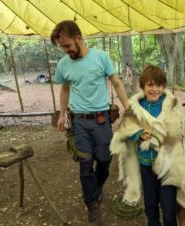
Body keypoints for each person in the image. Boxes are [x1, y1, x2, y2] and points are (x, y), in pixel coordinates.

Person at [110, 65, 185, 226]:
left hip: (169, 166)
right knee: (150, 206)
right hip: (145, 164)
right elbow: (125, 129)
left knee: (168, 208)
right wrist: (139, 134)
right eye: (150, 85)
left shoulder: (173, 105)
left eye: (159, 85)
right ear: (143, 86)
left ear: (163, 86)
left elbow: (183, 133)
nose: (155, 89)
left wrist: (165, 136)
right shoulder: (135, 108)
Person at [50, 20, 129, 225]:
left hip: (102, 120)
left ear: (79, 38)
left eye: (67, 45)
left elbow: (117, 83)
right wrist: (61, 115)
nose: (66, 50)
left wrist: (128, 108)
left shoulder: (101, 57)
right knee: (85, 165)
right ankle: (92, 204)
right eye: (62, 47)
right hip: (79, 122)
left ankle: (96, 187)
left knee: (104, 161)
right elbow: (65, 89)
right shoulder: (64, 64)